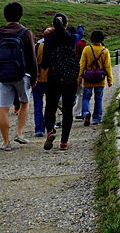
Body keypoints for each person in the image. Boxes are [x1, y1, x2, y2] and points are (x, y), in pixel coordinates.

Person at [0, 2, 38, 151]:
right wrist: (34, 77)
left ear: (5, 15)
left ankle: (5, 141)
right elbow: (32, 58)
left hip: (3, 76)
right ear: (20, 15)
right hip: (22, 75)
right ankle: (19, 133)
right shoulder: (25, 33)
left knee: (4, 108)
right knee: (24, 103)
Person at [41, 13, 79, 151]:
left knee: (50, 106)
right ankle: (64, 142)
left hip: (54, 77)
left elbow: (44, 64)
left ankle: (50, 130)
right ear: (66, 24)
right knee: (68, 109)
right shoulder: (72, 38)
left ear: (52, 25)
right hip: (70, 78)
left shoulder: (49, 39)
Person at [78, 30, 113, 126]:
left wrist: (79, 78)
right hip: (100, 79)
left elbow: (82, 65)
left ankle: (85, 113)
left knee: (86, 97)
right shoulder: (105, 51)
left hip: (88, 79)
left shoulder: (86, 49)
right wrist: (110, 79)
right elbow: (107, 66)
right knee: (98, 98)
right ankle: (97, 118)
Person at [32, 27, 53, 137]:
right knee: (50, 105)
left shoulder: (37, 46)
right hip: (51, 79)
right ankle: (49, 126)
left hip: (38, 78)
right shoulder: (55, 47)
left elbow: (33, 63)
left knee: (38, 105)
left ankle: (39, 129)